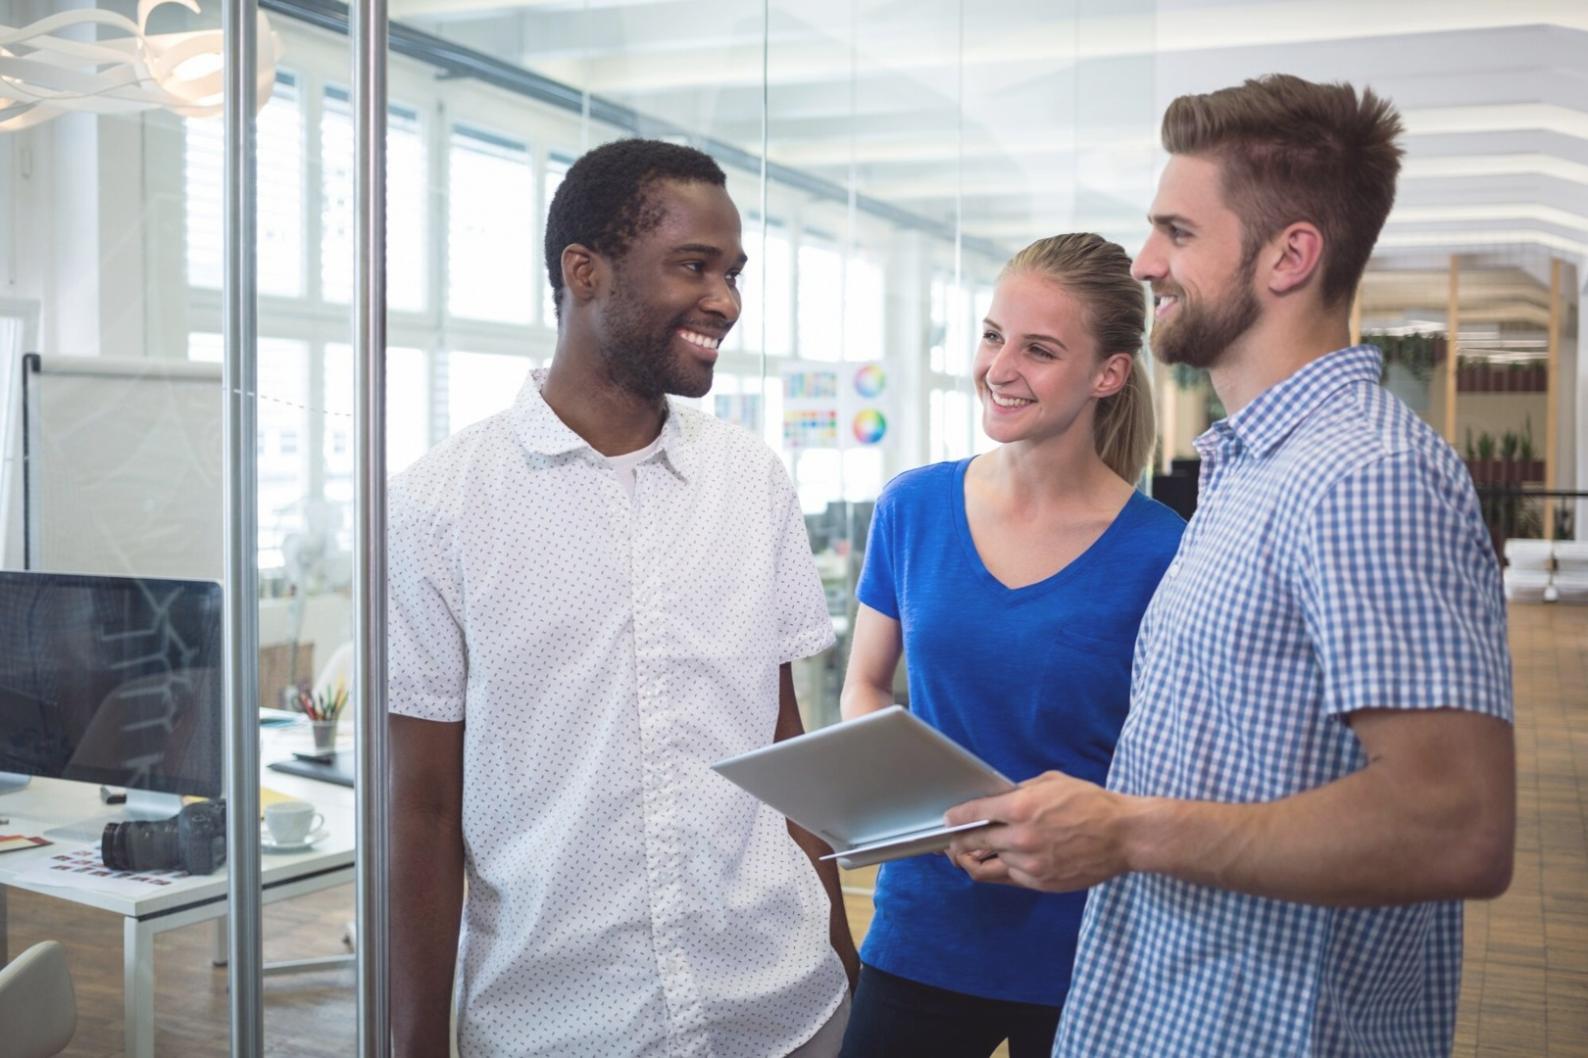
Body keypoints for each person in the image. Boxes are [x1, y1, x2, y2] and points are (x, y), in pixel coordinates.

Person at [946, 75, 1516, 1057]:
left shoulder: (1364, 476)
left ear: (1290, 255)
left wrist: (1125, 832)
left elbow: (1454, 822)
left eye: (1177, 230)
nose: (1146, 261)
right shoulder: (1250, 468)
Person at [386, 138, 857, 1058]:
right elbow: (425, 807)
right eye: (694, 266)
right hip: (556, 1024)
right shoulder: (440, 504)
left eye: (733, 272)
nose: (725, 300)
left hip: (784, 1006)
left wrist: (844, 956)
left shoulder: (750, 481)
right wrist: (411, 1042)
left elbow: (783, 739)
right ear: (584, 271)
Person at [836, 233, 1186, 1058]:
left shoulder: (1165, 552)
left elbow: (1174, 758)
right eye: (993, 335)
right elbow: (864, 688)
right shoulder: (912, 508)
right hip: (925, 922)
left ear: (1108, 374)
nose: (999, 366)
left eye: (1039, 349)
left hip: (1092, 945)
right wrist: (928, 815)